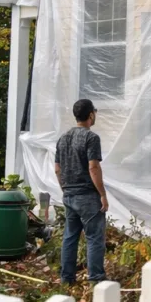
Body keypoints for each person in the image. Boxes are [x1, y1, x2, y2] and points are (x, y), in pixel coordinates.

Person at [54, 98, 109, 285]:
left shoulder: (63, 138)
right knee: (94, 237)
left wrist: (65, 189)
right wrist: (102, 194)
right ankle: (96, 279)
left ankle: (67, 279)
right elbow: (93, 168)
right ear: (91, 115)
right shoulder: (91, 138)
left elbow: (57, 169)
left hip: (69, 194)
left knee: (70, 237)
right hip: (87, 195)